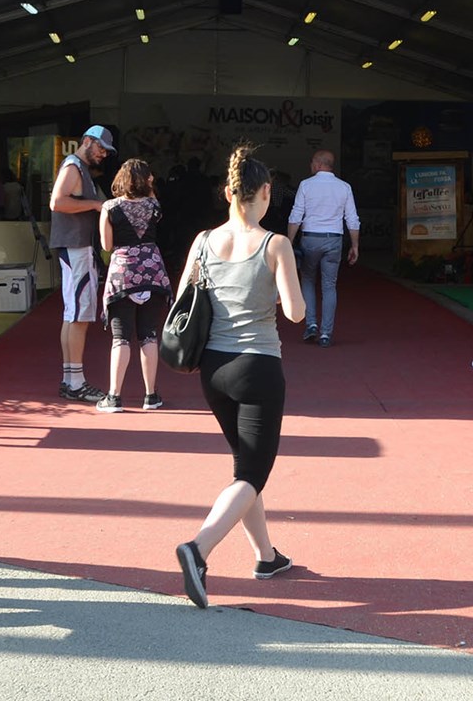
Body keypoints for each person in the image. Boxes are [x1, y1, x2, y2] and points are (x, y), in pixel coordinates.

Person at [174, 145, 306, 608]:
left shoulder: (203, 241)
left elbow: (183, 299)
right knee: (252, 472)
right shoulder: (275, 244)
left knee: (244, 468)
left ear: (228, 192)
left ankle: (266, 557)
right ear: (265, 191)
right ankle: (198, 549)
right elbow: (295, 313)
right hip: (258, 367)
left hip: (213, 369)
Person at [96, 157, 171, 413]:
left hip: (123, 274)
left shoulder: (109, 207)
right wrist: (148, 187)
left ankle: (114, 396)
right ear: (146, 180)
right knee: (148, 334)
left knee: (121, 337)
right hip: (153, 271)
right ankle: (151, 395)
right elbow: (153, 211)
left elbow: (106, 246)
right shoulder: (154, 205)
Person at [48, 125, 114, 401]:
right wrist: (96, 205)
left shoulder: (76, 167)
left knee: (73, 313)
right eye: (101, 148)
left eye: (106, 151)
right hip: (76, 247)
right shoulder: (74, 167)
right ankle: (76, 383)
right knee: (79, 314)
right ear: (87, 141)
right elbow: (57, 202)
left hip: (74, 247)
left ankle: (70, 379)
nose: (103, 154)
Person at [286, 149, 360, 347]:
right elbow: (352, 218)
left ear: (318, 164)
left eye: (312, 162)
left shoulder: (306, 185)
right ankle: (326, 333)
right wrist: (355, 245)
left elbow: (296, 215)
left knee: (308, 280)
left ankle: (311, 324)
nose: (311, 165)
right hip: (334, 239)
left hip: (310, 238)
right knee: (329, 286)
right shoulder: (344, 187)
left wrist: (289, 241)